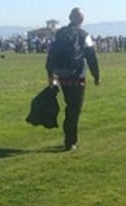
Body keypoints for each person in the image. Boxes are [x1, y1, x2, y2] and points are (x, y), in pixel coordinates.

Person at [45, 7, 100, 151]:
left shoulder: (60, 33)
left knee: (69, 105)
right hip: (77, 76)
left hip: (61, 75)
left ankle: (69, 137)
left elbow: (51, 55)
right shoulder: (84, 35)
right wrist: (96, 76)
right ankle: (70, 141)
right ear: (81, 20)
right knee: (73, 109)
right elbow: (91, 56)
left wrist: (50, 74)